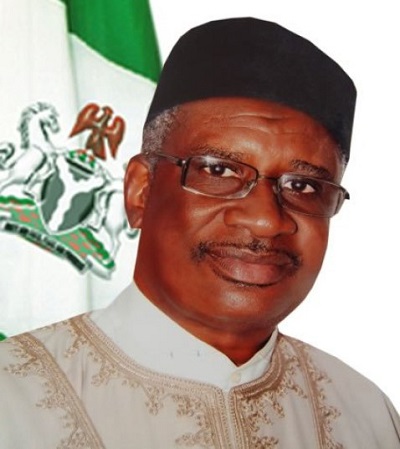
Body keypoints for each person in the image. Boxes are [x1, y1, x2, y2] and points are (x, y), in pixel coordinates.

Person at [0, 17, 399, 449]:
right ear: (141, 191)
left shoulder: (366, 417)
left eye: (303, 187)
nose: (266, 220)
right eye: (219, 170)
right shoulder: (14, 398)